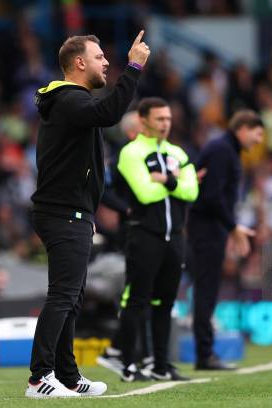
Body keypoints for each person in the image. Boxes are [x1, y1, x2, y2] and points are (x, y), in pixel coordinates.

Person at [26, 32, 149, 398]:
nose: (106, 62)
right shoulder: (68, 99)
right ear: (79, 63)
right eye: (99, 57)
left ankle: (66, 374)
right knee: (63, 295)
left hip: (70, 212)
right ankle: (39, 378)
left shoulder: (69, 102)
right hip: (63, 213)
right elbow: (110, 113)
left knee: (72, 296)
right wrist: (135, 66)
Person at [99, 97, 199, 382]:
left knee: (165, 303)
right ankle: (129, 364)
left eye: (168, 119)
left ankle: (160, 365)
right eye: (159, 119)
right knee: (137, 300)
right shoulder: (131, 153)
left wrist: (164, 180)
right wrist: (175, 181)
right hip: (144, 234)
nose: (166, 124)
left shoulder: (177, 151)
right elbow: (145, 193)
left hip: (175, 237)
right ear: (143, 121)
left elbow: (191, 192)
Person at [188, 110, 264, 370]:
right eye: (258, 132)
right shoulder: (222, 150)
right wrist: (233, 227)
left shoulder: (226, 149)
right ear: (242, 128)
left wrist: (230, 228)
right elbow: (211, 196)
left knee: (207, 290)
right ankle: (204, 354)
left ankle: (205, 352)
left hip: (211, 227)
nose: (259, 140)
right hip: (207, 228)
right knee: (206, 290)